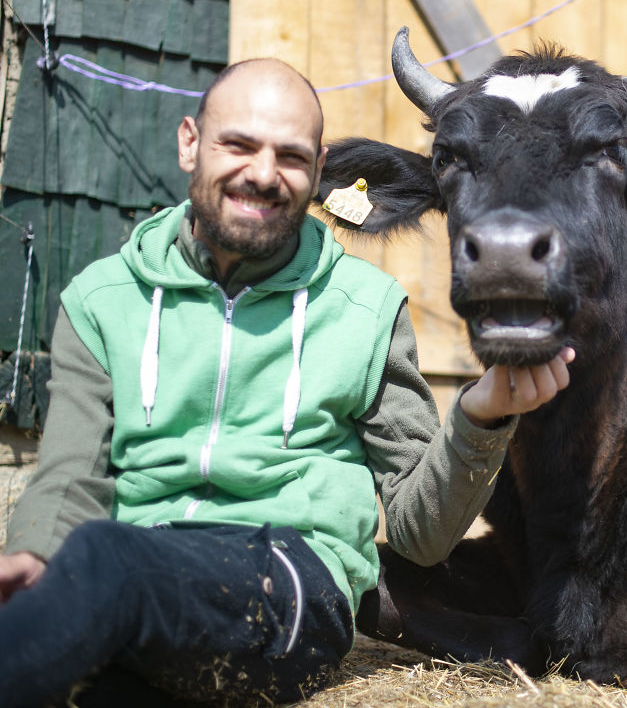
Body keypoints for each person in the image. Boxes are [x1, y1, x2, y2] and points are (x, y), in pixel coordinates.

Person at [0, 58, 574, 708]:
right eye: (239, 145)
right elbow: (70, 477)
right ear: (191, 142)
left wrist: (481, 416)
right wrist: (33, 554)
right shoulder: (101, 301)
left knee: (103, 559)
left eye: (292, 157)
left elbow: (421, 534)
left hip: (290, 583)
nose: (264, 174)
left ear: (320, 168)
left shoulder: (365, 308)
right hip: (140, 573)